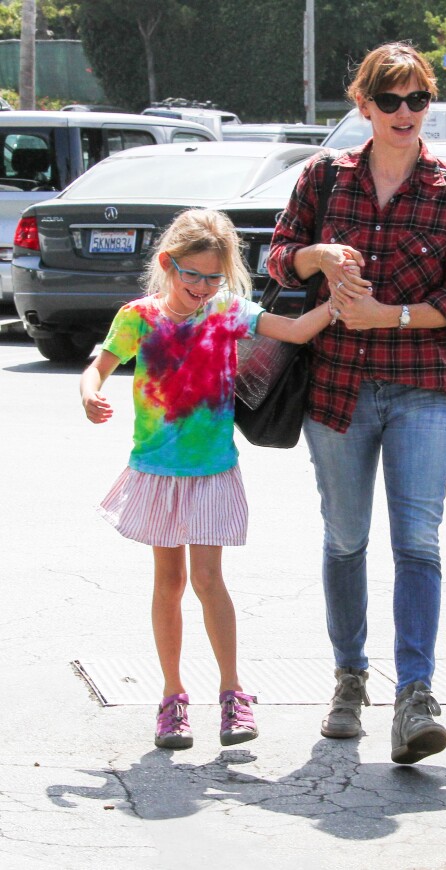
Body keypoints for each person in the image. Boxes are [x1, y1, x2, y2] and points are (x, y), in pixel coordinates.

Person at [268, 42, 446, 764]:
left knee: (418, 542)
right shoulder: (324, 178)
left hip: (423, 384)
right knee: (346, 538)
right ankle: (349, 680)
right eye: (388, 99)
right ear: (361, 104)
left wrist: (386, 316)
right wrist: (320, 257)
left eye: (417, 98)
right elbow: (277, 255)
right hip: (337, 389)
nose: (404, 112)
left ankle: (416, 693)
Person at [80, 208, 336, 751]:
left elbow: (291, 330)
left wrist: (337, 304)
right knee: (168, 584)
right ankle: (172, 698)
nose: (201, 287)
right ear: (168, 264)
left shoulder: (226, 312)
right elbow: (99, 365)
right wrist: (89, 392)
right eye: (191, 274)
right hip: (156, 471)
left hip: (212, 472)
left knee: (209, 582)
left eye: (212, 277)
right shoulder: (139, 317)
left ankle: (232, 693)